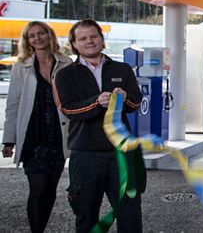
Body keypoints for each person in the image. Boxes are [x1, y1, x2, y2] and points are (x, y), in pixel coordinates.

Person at [52, 19, 143, 233]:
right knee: (86, 214)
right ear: (74, 44)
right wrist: (96, 102)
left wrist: (125, 97)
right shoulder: (65, 74)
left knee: (130, 213)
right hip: (85, 155)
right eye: (82, 38)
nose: (89, 41)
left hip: (121, 153)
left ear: (102, 40)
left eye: (93, 36)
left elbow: (135, 104)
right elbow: (68, 109)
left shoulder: (122, 68)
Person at [2, 21, 73, 233]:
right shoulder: (21, 66)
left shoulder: (66, 63)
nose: (37, 38)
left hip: (58, 137)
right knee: (38, 188)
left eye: (41, 33)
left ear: (49, 35)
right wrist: (9, 140)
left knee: (51, 188)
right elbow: (12, 105)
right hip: (33, 138)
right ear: (27, 41)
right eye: (32, 36)